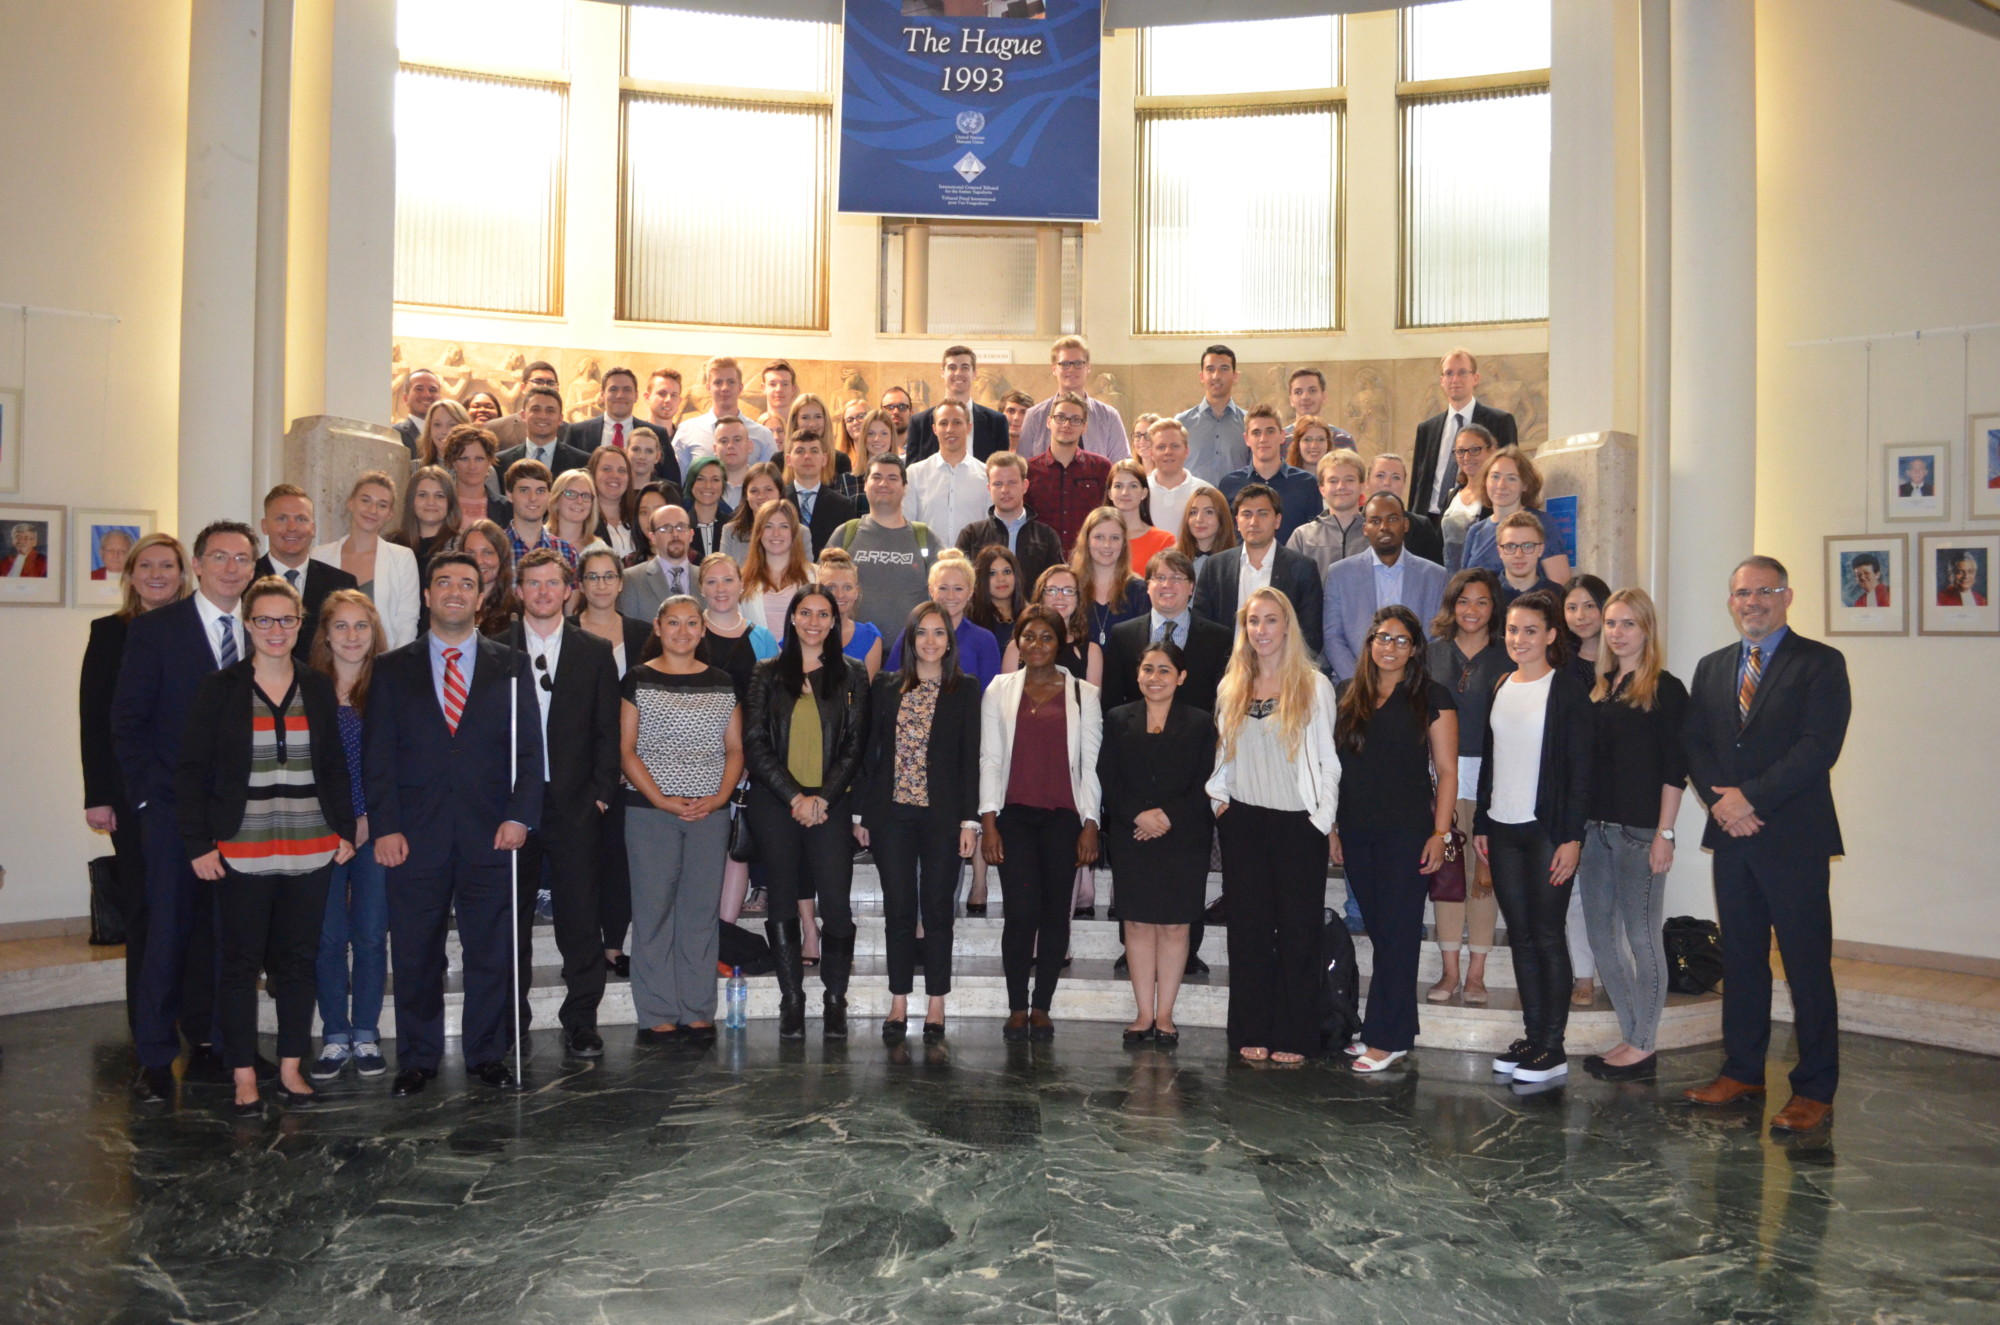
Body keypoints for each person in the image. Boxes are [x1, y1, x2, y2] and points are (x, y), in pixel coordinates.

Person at [365, 551, 543, 1097]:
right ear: (427, 596)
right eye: (444, 583)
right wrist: (386, 826)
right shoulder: (393, 668)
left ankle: (486, 1054)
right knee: (417, 951)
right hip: (414, 837)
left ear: (481, 597)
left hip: (490, 833)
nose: (455, 592)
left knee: (490, 951)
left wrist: (520, 816)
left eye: (467, 584)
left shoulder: (510, 666)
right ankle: (417, 1057)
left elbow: (531, 754)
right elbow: (379, 757)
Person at [177, 576, 356, 1115]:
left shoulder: (318, 687)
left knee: (298, 962)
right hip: (240, 848)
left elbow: (334, 767)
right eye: (264, 620)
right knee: (240, 964)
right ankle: (243, 1076)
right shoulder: (220, 688)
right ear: (248, 625)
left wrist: (344, 832)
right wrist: (198, 843)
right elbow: (191, 772)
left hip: (312, 846)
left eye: (286, 620)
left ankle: (292, 1069)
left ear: (300, 625)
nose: (276, 630)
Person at [1683, 556, 1851, 1133]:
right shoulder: (1711, 668)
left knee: (1806, 966)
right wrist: (1722, 804)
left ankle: (1814, 1088)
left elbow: (1817, 748)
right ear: (1730, 602)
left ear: (1786, 596)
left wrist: (1748, 799)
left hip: (1794, 838)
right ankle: (1743, 1070)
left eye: (1763, 591)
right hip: (1734, 840)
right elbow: (1696, 745)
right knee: (1742, 960)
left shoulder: (1821, 664)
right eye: (1741, 593)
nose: (1751, 602)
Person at [113, 520, 259, 1106]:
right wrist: (148, 800)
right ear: (197, 565)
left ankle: (228, 1045)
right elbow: (128, 723)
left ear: (253, 568)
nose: (231, 567)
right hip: (173, 812)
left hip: (245, 817)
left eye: (242, 558)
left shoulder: (265, 629)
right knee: (168, 936)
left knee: (235, 941)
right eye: (219, 557)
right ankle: (153, 1057)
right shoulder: (155, 632)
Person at [1206, 587, 1341, 1064]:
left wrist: (1320, 821)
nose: (1260, 631)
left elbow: (1328, 762)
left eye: (1269, 621)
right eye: (1253, 622)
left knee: (1299, 932)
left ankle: (1295, 1035)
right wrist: (1219, 801)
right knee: (1248, 932)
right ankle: (1251, 1028)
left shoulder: (1313, 685)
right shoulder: (1232, 685)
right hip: (1243, 822)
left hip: (1297, 826)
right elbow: (1224, 753)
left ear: (1287, 627)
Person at [1474, 590, 1594, 1085]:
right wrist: (1482, 821)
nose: (1518, 639)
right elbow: (1491, 756)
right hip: (1501, 828)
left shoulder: (1565, 689)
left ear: (1550, 636)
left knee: (1546, 935)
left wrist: (1572, 837)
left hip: (1547, 830)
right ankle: (1532, 1035)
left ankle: (1553, 1045)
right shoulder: (1502, 682)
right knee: (1520, 937)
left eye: (1529, 631)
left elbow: (1581, 770)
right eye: (1512, 630)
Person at [1331, 606, 1459, 1073]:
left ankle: (1388, 1037)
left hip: (1408, 834)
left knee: (1399, 934)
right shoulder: (1347, 694)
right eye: (1382, 638)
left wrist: (1440, 834)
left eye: (1401, 640)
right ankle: (1390, 1027)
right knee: (1383, 934)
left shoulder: (1433, 697)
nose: (1390, 647)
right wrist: (1332, 828)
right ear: (1369, 644)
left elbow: (1447, 773)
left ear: (1415, 649)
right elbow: (1333, 770)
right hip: (1357, 829)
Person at [505, 550, 621, 1059]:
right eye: (533, 584)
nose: (543, 593)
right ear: (519, 591)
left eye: (553, 584)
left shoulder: (594, 650)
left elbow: (607, 730)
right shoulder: (495, 649)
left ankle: (581, 1020)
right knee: (511, 917)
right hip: (513, 806)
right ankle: (510, 1018)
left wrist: (600, 795)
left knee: (579, 915)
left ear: (569, 589)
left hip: (576, 803)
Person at [742, 587, 871, 1040]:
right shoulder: (766, 672)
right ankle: (791, 1000)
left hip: (829, 804)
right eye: (805, 613)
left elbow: (856, 746)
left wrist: (823, 799)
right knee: (781, 900)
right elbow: (755, 744)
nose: (814, 621)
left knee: (835, 905)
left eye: (823, 614)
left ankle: (834, 1000)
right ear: (792, 619)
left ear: (835, 621)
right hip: (776, 803)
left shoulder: (853, 675)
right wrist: (794, 797)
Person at [856, 601, 982, 1043]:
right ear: (909, 640)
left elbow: (971, 760)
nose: (930, 641)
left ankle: (936, 1003)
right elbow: (870, 754)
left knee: (938, 909)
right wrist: (862, 814)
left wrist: (971, 821)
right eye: (922, 633)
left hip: (943, 817)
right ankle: (897, 1001)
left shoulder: (964, 689)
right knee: (899, 910)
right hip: (892, 815)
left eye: (939, 633)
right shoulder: (887, 686)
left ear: (950, 641)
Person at [80, 532, 190, 1039]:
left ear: (182, 574)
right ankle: (147, 1025)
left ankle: (193, 1019)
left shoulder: (199, 630)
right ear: (130, 576)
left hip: (187, 794)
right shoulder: (109, 633)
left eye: (167, 566)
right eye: (146, 566)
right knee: (147, 911)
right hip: (130, 796)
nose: (156, 575)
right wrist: (98, 796)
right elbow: (96, 718)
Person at [621, 595, 743, 1049]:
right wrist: (663, 799)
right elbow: (627, 749)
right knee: (653, 911)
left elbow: (734, 749)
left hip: (709, 812)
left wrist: (719, 797)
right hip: (650, 810)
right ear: (658, 626)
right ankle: (656, 1011)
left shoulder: (722, 682)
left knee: (699, 912)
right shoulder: (638, 679)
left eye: (692, 623)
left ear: (703, 629)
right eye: (674, 622)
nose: (683, 631)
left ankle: (696, 1010)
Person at [1577, 588, 1688, 1082]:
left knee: (1642, 939)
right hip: (1595, 831)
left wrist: (1666, 832)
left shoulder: (1666, 689)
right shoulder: (1600, 686)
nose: (1618, 633)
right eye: (1612, 624)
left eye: (1628, 624)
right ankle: (1630, 1034)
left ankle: (1644, 1045)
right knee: (1602, 939)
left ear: (1647, 630)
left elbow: (1674, 769)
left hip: (1640, 833)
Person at [980, 607, 1103, 1042]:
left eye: (1046, 637)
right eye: (1028, 637)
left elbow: (1090, 766)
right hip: (1013, 817)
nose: (1036, 645)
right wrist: (988, 823)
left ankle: (1042, 1007)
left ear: (1060, 642)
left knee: (1055, 914)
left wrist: (1091, 824)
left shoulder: (1082, 694)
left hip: (1064, 818)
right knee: (1021, 913)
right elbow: (990, 759)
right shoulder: (998, 689)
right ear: (1017, 642)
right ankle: (1017, 1007)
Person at [1097, 640, 1215, 1048]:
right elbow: (1107, 776)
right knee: (1137, 923)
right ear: (1137, 675)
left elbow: (1207, 780)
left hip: (1183, 837)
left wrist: (1167, 817)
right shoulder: (1116, 719)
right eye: (1148, 669)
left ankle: (1165, 1015)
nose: (1155, 677)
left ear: (1181, 677)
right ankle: (1143, 1013)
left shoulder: (1201, 722)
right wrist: (1137, 815)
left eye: (1165, 670)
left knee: (1175, 925)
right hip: (1132, 835)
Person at [307, 590, 392, 1084]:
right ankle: (335, 1035)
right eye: (342, 626)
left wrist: (367, 823)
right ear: (326, 634)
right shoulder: (307, 689)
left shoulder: (389, 686)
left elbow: (396, 765)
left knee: (370, 935)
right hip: (323, 833)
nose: (352, 636)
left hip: (376, 830)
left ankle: (365, 1032)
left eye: (361, 626)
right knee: (327, 938)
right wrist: (339, 826)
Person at [1425, 569, 1510, 1003]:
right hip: (1440, 777)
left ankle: (1477, 971)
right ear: (1451, 605)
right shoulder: (1431, 654)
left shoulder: (1509, 656)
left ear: (1494, 608)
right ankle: (1449, 970)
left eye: (1481, 601)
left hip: (1494, 781)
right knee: (1447, 874)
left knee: (1483, 877)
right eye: (1463, 601)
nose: (1471, 610)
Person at [1321, 492, 1449, 683]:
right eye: (1375, 521)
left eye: (1392, 519)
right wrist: (1362, 683)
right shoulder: (1340, 574)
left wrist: (1408, 681)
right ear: (1365, 528)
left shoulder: (1435, 576)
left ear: (1405, 525)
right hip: (1354, 685)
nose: (1384, 527)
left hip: (1414, 687)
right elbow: (1333, 638)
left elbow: (1437, 639)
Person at [1194, 484, 1324, 658]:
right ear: (1237, 522)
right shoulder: (1215, 567)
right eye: (1247, 514)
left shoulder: (1303, 568)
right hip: (1226, 673)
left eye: (1262, 514)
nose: (1254, 522)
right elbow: (1202, 628)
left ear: (1277, 520)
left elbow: (1311, 634)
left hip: (1283, 673)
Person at [1100, 548, 1230, 716]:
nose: (1167, 585)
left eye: (1176, 578)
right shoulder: (1123, 636)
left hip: (1197, 738)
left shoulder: (1218, 639)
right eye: (1160, 577)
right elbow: (1112, 701)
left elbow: (1222, 704)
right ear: (1148, 586)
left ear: (1191, 587)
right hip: (1137, 737)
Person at [828, 454, 938, 643]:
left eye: (892, 478)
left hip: (910, 653)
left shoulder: (924, 537)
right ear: (865, 484)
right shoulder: (846, 534)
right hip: (853, 653)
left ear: (904, 488)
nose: (883, 484)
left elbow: (944, 592)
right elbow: (822, 592)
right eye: (877, 477)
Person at [314, 471, 421, 648]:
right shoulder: (320, 555)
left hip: (383, 663)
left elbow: (407, 621)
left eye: (382, 505)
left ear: (390, 514)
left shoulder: (403, 558)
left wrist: (395, 666)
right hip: (330, 662)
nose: (372, 510)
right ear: (351, 503)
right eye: (365, 500)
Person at [1411, 349, 1520, 521]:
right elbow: (1417, 482)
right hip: (1428, 520)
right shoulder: (1426, 429)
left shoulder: (1500, 422)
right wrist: (1413, 522)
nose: (1455, 379)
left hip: (1479, 516)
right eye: (1449, 373)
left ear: (1475, 378)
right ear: (1442, 380)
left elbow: (1511, 473)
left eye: (1462, 372)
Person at [257, 483, 358, 661]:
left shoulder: (342, 584)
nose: (292, 527)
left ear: (313, 528)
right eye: (281, 518)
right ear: (265, 526)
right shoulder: (245, 582)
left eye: (301, 519)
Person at [884, 550, 1003, 687]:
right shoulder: (912, 632)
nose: (950, 596)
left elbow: (990, 696)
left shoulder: (984, 640)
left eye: (958, 589)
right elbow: (890, 684)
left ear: (970, 592)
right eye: (943, 588)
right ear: (931, 591)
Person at [954, 451, 1065, 592]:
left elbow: (1055, 586)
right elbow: (959, 586)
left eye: (1012, 483)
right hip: (983, 613)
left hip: (1033, 613)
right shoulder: (971, 535)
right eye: (998, 484)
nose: (1005, 490)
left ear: (1025, 486)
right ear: (989, 489)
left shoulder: (1046, 536)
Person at [1461, 448, 1572, 587]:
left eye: (1511, 478)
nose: (1501, 485)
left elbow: (1560, 584)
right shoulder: (1475, 531)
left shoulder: (1542, 523)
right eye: (1495, 476)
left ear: (1525, 484)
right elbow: (1463, 585)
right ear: (1485, 481)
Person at [1015, 335, 1130, 461]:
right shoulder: (1034, 416)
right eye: (1064, 364)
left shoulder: (1109, 417)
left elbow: (1121, 467)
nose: (1071, 369)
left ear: (1088, 368)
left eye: (1078, 363)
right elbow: (1022, 468)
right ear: (1054, 369)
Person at [1026, 391, 1113, 554]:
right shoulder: (1028, 471)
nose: (1067, 424)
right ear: (1049, 422)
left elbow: (1111, 517)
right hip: (1042, 563)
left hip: (1090, 561)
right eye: (1060, 417)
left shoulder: (1102, 468)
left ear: (1084, 427)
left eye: (1075, 420)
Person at [1218, 404, 1319, 543]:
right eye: (1256, 433)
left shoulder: (1307, 484)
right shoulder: (1229, 484)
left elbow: (1315, 539)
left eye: (1270, 431)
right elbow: (1223, 538)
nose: (1263, 438)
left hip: (1292, 564)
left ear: (1282, 436)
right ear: (1247, 439)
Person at [903, 346, 1009, 465]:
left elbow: (1002, 470)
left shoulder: (996, 422)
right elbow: (911, 473)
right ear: (942, 373)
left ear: (974, 374)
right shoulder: (920, 423)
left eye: (965, 367)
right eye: (952, 368)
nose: (958, 373)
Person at [694, 552, 779, 700]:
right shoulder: (689, 633)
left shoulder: (763, 638)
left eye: (728, 580)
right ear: (701, 588)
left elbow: (773, 696)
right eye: (711, 582)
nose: (721, 588)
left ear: (741, 584)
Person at [905, 400, 991, 547]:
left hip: (973, 564)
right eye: (943, 423)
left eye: (957, 422)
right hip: (928, 565)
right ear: (934, 429)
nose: (950, 429)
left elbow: (990, 529)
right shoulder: (915, 474)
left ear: (969, 427)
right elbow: (907, 526)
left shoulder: (986, 475)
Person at [1005, 564, 1103, 684]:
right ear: (1041, 596)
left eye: (1068, 590)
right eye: (1052, 590)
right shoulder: (1016, 647)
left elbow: (1092, 701)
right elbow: (1006, 699)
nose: (1060, 597)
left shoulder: (1091, 652)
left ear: (1078, 599)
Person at [674, 359, 777, 471]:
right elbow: (677, 482)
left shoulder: (763, 435)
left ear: (740, 388)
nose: (725, 388)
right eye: (718, 382)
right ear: (708, 388)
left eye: (731, 382)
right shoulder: (687, 431)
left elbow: (772, 483)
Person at [1072, 506, 1151, 652]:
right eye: (1099, 537)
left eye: (1114, 538)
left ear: (1124, 543)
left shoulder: (1139, 591)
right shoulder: (1071, 588)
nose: (1107, 545)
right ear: (1086, 540)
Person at [1286, 449, 1369, 580]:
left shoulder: (1375, 535)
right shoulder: (1302, 537)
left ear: (1362, 486)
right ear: (1322, 489)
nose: (1341, 486)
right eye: (1333, 481)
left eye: (1349, 479)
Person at [738, 498, 817, 637]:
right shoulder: (741, 580)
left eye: (784, 526)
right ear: (758, 533)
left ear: (794, 532)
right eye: (768, 526)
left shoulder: (816, 576)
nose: (776, 533)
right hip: (757, 658)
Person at [1175, 345, 1249, 487]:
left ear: (1235, 376)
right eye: (1210, 369)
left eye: (1224, 369)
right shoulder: (1181, 424)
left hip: (1235, 506)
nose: (1216, 375)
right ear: (1201, 376)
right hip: (1194, 506)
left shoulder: (1248, 423)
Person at [618, 503, 697, 625]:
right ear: (652, 537)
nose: (675, 534)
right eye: (666, 528)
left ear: (691, 534)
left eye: (681, 527)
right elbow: (629, 633)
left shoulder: (706, 577)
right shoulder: (631, 579)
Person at [1362, 452, 1446, 566]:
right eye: (1380, 476)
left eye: (1396, 477)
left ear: (1404, 483)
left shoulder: (1421, 526)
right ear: (1367, 481)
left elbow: (1434, 572)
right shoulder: (1355, 522)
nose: (1387, 483)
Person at [783, 429, 858, 553]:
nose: (807, 456)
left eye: (814, 451)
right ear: (788, 460)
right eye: (800, 451)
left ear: (824, 459)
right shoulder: (776, 501)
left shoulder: (843, 506)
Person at [498, 385, 591, 482]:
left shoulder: (582, 462)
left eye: (550, 411)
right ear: (523, 415)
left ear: (560, 419)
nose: (543, 416)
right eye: (535, 409)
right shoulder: (501, 462)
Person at [817, 547, 885, 678]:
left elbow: (867, 693)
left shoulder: (870, 637)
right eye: (831, 587)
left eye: (847, 587)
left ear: (856, 592)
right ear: (818, 589)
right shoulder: (804, 631)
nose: (840, 594)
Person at [1143, 418, 1211, 547]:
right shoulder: (1139, 492)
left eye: (1175, 446)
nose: (1168, 452)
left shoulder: (1205, 492)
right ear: (1151, 453)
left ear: (1186, 451)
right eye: (1161, 447)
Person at [1439, 423, 1497, 572]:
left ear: (1491, 451)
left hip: (1485, 581)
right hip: (1450, 583)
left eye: (1474, 450)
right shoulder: (1452, 495)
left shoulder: (1498, 496)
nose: (1466, 457)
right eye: (1460, 451)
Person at [1105, 459, 1175, 578]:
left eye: (1133, 486)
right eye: (1118, 486)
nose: (1125, 492)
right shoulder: (1096, 538)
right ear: (1110, 494)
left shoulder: (1164, 541)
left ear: (1144, 493)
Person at [500, 460, 578, 567]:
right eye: (524, 490)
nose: (533, 498)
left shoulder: (566, 552)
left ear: (549, 495)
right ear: (509, 494)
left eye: (540, 491)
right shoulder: (494, 549)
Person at [391, 464, 462, 571]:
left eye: (439, 496)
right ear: (411, 500)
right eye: (422, 495)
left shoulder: (461, 545)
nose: (431, 502)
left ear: (450, 502)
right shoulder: (393, 544)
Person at [454, 519, 517, 639]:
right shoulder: (452, 604)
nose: (479, 561)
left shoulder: (517, 613)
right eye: (471, 553)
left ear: (502, 557)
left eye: (487, 553)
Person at [966, 545, 1026, 662]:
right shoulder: (971, 619)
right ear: (981, 578)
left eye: (1007, 571)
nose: (1001, 578)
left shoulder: (1031, 616)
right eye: (992, 573)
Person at [719, 462, 786, 565]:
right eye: (754, 491)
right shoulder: (730, 532)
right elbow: (725, 574)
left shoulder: (800, 532)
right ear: (746, 495)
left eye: (768, 490)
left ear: (780, 492)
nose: (761, 496)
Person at [568, 365, 645, 453]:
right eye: (613, 389)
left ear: (636, 396)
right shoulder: (578, 432)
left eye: (627, 390)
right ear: (602, 395)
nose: (620, 395)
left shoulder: (656, 434)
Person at [1492, 511, 1563, 607]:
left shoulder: (1559, 596)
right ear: (1500, 551)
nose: (1519, 554)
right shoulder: (1486, 595)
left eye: (1528, 546)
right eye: (1510, 546)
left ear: (1540, 550)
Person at [444, 425, 508, 529]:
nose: (472, 466)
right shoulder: (441, 504)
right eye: (464, 459)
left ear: (489, 462)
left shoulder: (507, 507)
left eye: (479, 459)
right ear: (454, 463)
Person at [586, 446, 638, 561]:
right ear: (593, 473)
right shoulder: (582, 519)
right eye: (606, 469)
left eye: (622, 471)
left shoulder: (639, 517)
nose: (615, 476)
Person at [1174, 484, 1237, 576]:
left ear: (1222, 518)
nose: (1199, 519)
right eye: (1193, 512)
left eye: (1209, 512)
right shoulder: (1171, 560)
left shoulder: (1236, 562)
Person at [682, 455, 733, 561]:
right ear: (691, 484)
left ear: (723, 485)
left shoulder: (733, 527)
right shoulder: (680, 528)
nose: (708, 486)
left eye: (715, 480)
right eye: (700, 479)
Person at [546, 468, 603, 557]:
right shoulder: (537, 539)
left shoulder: (600, 550)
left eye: (585, 495)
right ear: (556, 499)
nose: (579, 501)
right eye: (570, 493)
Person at [393, 367, 443, 456]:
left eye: (432, 390)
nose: (426, 395)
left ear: (440, 398)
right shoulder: (395, 434)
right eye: (419, 389)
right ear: (406, 398)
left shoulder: (451, 435)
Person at [414, 398, 471, 467]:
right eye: (437, 424)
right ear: (429, 429)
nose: (444, 431)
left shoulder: (480, 470)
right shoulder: (413, 469)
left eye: (452, 425)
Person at [757, 360, 800, 440]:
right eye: (773, 384)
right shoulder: (754, 430)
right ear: (763, 388)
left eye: (785, 384)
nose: (779, 389)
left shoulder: (802, 427)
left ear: (793, 389)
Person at [626, 425, 674, 495]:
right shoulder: (615, 487)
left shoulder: (670, 491)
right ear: (626, 453)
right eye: (636, 449)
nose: (642, 456)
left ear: (657, 457)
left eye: (649, 451)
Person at [879, 385, 914, 453]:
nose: (896, 412)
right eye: (890, 407)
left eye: (902, 407)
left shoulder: (922, 450)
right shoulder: (873, 449)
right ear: (881, 414)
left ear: (911, 413)